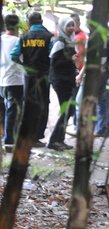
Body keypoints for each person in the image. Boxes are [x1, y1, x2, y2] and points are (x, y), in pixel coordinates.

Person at [10, 12, 54, 147]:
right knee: (43, 104)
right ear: (41, 21)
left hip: (29, 76)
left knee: (28, 105)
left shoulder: (24, 37)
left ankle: (27, 136)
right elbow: (52, 55)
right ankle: (38, 136)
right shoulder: (48, 37)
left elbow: (14, 55)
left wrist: (24, 65)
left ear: (29, 22)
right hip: (44, 76)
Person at [47, 17, 77, 151]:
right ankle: (54, 141)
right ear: (63, 27)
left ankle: (59, 140)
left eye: (72, 25)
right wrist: (70, 59)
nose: (71, 28)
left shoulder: (70, 41)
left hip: (67, 80)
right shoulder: (59, 43)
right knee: (67, 110)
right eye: (68, 25)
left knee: (68, 110)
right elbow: (54, 63)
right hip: (60, 81)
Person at [0, 14, 24, 152]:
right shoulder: (18, 41)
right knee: (12, 111)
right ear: (17, 25)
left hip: (1, 80)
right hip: (14, 80)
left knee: (5, 110)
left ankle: (6, 137)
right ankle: (9, 141)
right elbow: (22, 58)